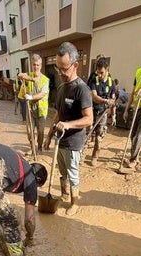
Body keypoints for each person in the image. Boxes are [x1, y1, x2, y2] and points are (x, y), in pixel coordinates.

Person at [43, 42, 93, 216]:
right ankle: (64, 195)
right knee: (62, 171)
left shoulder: (82, 89)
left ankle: (75, 203)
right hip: (60, 139)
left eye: (64, 69)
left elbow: (89, 119)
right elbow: (57, 114)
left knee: (72, 174)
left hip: (73, 142)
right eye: (58, 69)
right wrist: (49, 136)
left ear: (75, 65)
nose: (61, 73)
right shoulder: (62, 87)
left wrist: (69, 125)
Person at [18, 54, 50, 153]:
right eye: (34, 65)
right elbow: (20, 75)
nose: (36, 67)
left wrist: (31, 97)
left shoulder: (45, 80)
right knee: (30, 131)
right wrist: (31, 79)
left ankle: (39, 147)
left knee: (40, 132)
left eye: (38, 65)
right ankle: (33, 148)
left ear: (41, 66)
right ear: (32, 65)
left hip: (41, 111)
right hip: (30, 109)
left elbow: (42, 94)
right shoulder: (29, 75)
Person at [88, 57, 116, 166]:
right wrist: (105, 100)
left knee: (99, 137)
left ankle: (95, 157)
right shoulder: (93, 80)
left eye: (102, 73)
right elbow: (94, 97)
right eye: (98, 72)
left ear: (107, 69)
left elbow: (113, 100)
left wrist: (113, 115)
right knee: (87, 134)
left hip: (103, 113)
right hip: (91, 111)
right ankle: (79, 157)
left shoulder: (111, 82)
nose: (100, 75)